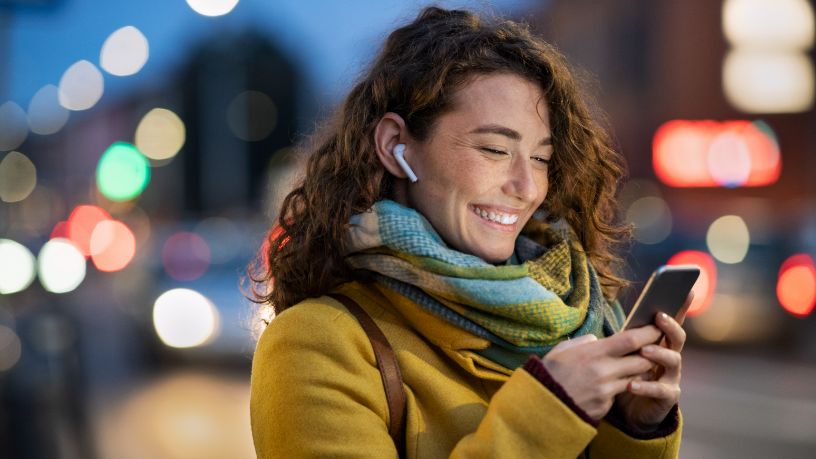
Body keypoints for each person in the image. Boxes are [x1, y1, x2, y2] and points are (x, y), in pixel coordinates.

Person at [249, 6, 690, 458]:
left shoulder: (580, 315)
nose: (527, 188)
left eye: (540, 158)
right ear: (394, 145)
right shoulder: (316, 342)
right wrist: (549, 411)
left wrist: (631, 425)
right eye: (495, 149)